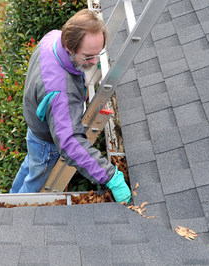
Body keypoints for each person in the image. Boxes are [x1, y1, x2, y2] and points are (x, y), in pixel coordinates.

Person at [9, 9, 131, 203]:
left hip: (35, 130)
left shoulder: (53, 38)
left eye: (98, 54)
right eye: (88, 57)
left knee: (30, 168)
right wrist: (110, 177)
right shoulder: (61, 93)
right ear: (69, 47)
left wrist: (85, 63)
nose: (95, 61)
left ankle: (8, 200)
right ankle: (12, 214)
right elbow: (69, 142)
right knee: (31, 190)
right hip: (47, 144)